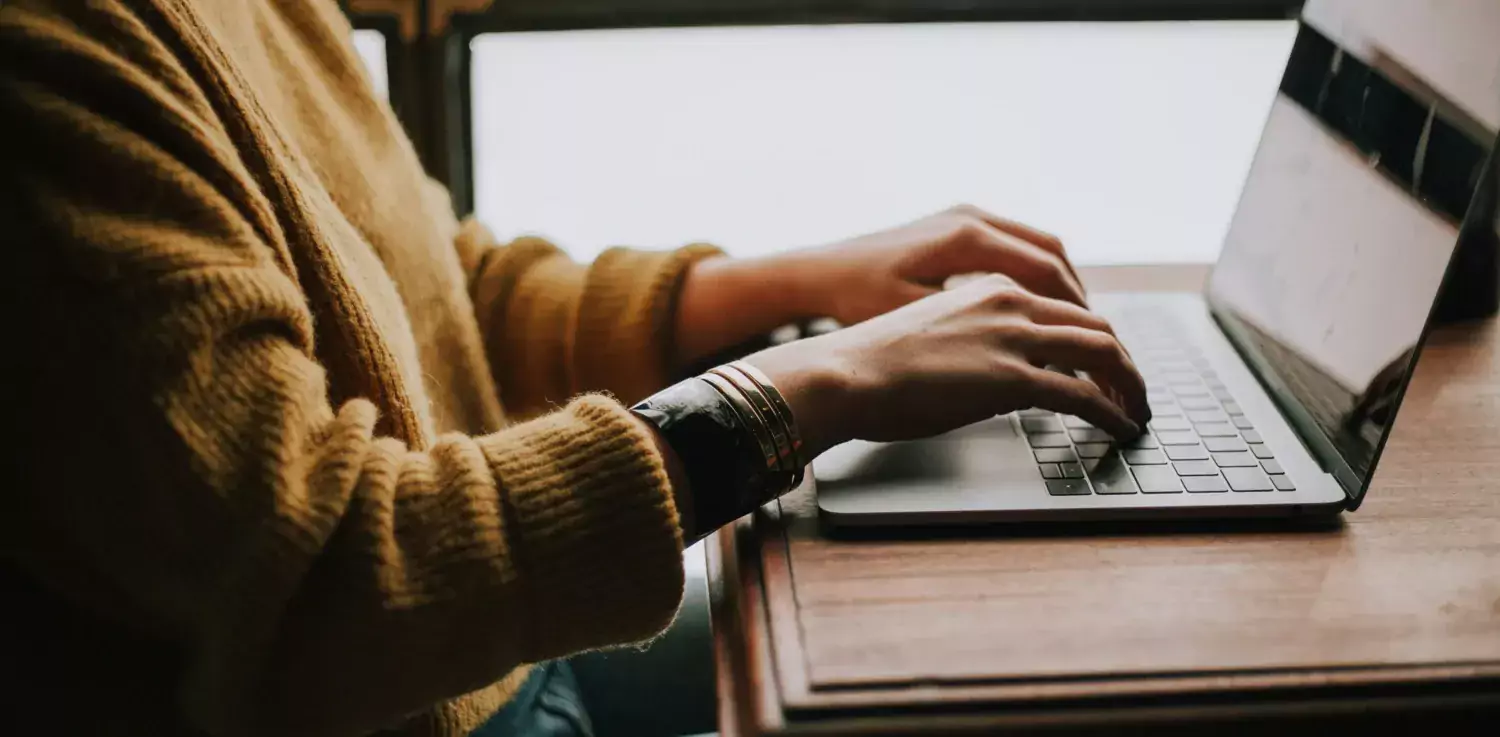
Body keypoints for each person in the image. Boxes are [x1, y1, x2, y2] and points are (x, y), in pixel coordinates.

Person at [0, 1, 1149, 736]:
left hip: (489, 666)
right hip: (421, 700)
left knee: (997, 652)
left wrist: (797, 282)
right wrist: (811, 387)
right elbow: (327, 581)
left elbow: (424, 289)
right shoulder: (44, 65)